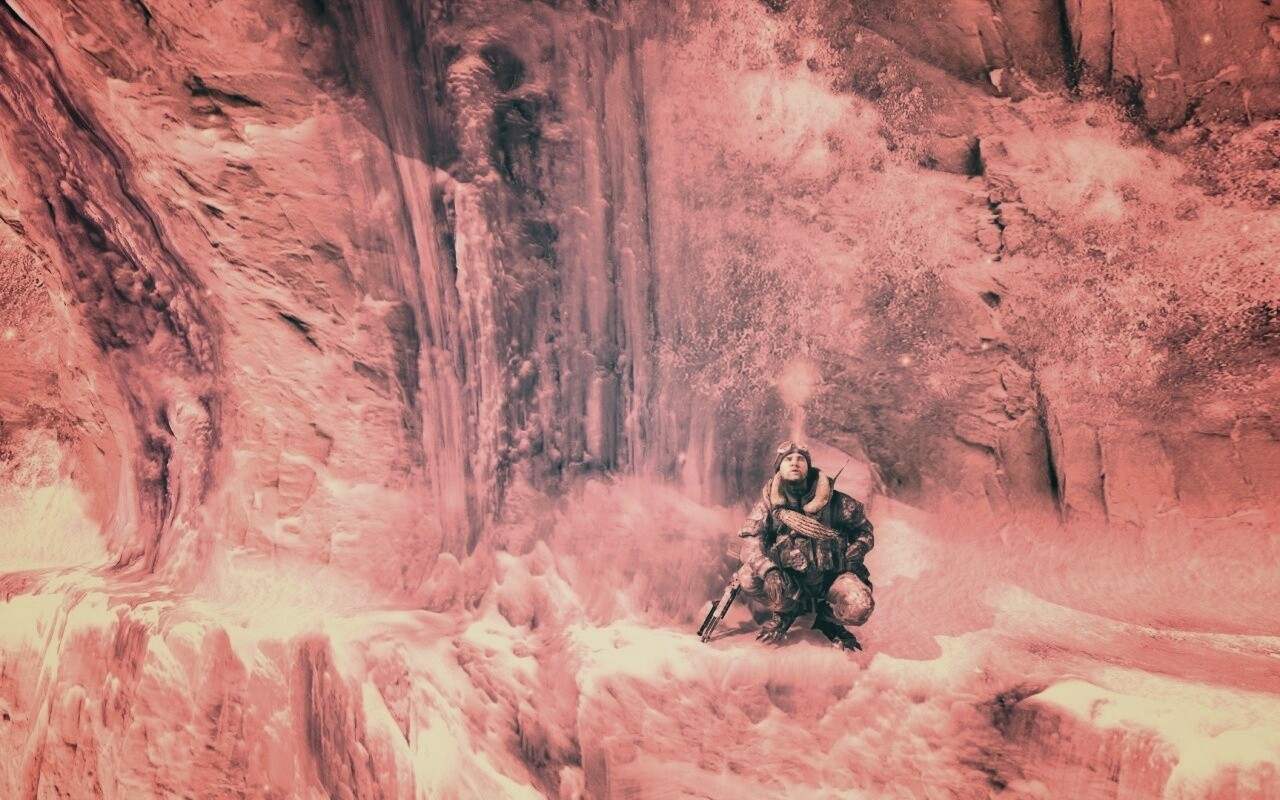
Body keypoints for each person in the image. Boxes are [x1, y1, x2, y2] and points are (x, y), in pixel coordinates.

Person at [735, 441, 875, 650]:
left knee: (861, 606)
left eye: (800, 459)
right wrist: (769, 570)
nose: (795, 463)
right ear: (779, 468)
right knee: (747, 577)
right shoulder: (768, 504)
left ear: (808, 466)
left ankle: (828, 620)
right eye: (788, 459)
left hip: (831, 577)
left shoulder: (836, 501)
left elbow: (864, 529)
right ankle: (786, 611)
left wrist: (859, 546)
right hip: (790, 579)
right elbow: (751, 541)